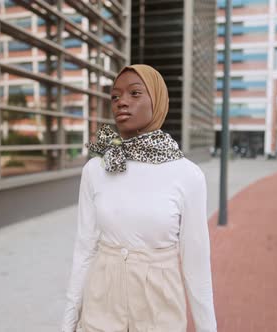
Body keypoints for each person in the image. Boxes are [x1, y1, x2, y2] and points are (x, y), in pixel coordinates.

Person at [60, 65, 217, 332]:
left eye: (135, 93)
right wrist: (68, 321)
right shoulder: (96, 169)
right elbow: (84, 249)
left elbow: (196, 264)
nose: (122, 102)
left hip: (159, 307)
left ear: (157, 101)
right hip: (101, 303)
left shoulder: (188, 175)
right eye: (115, 96)